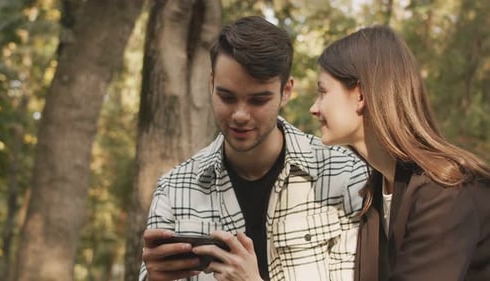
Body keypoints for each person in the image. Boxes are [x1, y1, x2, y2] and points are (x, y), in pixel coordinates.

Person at [139, 16, 369, 281]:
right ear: (211, 83)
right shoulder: (173, 189)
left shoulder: (345, 175)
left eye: (258, 100)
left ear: (286, 91)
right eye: (227, 97)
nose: (240, 114)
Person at [309, 25, 490, 281]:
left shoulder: (445, 192)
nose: (314, 108)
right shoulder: (377, 190)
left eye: (323, 92)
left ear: (360, 95)